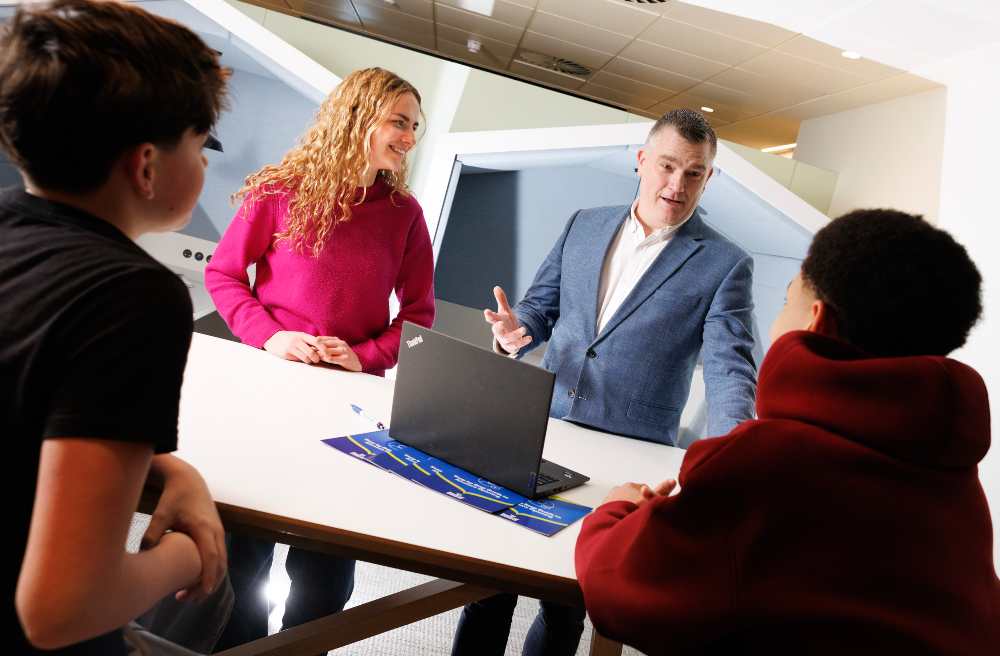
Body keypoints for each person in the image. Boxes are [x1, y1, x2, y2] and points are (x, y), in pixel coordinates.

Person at [576, 209, 1000, 655]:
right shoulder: (954, 483)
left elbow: (619, 593)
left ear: (817, 321)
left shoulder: (764, 461)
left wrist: (618, 510)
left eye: (785, 301)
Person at [454, 109, 758, 655]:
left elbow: (730, 365)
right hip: (541, 430)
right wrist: (514, 329)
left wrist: (738, 450)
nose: (676, 185)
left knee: (568, 600)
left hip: (627, 457)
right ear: (641, 161)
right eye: (667, 166)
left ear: (708, 177)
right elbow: (539, 310)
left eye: (694, 173)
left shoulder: (725, 263)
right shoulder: (584, 224)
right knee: (489, 584)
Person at [2, 1, 232, 654]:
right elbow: (61, 610)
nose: (207, 163)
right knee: (215, 597)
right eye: (200, 142)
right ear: (147, 166)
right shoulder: (135, 297)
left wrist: (167, 468)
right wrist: (191, 554)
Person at [205, 67, 435, 646]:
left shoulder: (404, 214)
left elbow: (418, 315)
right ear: (358, 116)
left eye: (414, 126)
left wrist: (364, 356)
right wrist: (273, 338)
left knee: (327, 575)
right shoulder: (278, 190)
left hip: (349, 406)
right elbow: (225, 274)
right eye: (399, 123)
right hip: (270, 393)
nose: (409, 138)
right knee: (242, 558)